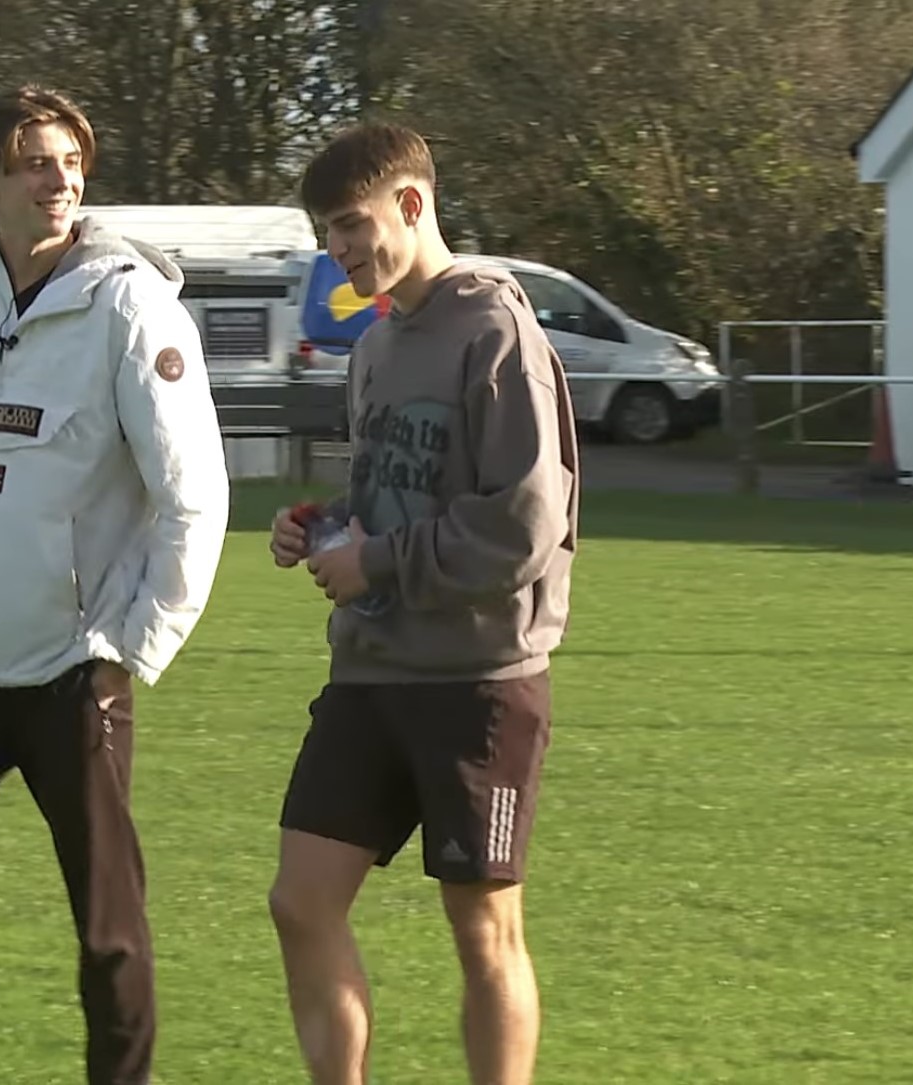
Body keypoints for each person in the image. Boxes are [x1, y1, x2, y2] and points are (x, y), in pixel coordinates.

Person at [0, 84, 230, 1085]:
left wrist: (130, 648)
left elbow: (194, 498)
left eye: (69, 160)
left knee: (108, 931)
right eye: (32, 161)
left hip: (75, 675)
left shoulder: (130, 305)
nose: (57, 178)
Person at [267, 122, 580, 1085]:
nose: (341, 250)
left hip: (477, 684)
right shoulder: (374, 345)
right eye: (326, 234)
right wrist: (323, 525)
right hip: (370, 672)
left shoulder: (495, 331)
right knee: (300, 902)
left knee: (482, 929)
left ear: (411, 203)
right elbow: (394, 495)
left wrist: (383, 561)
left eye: (352, 224)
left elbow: (525, 525)